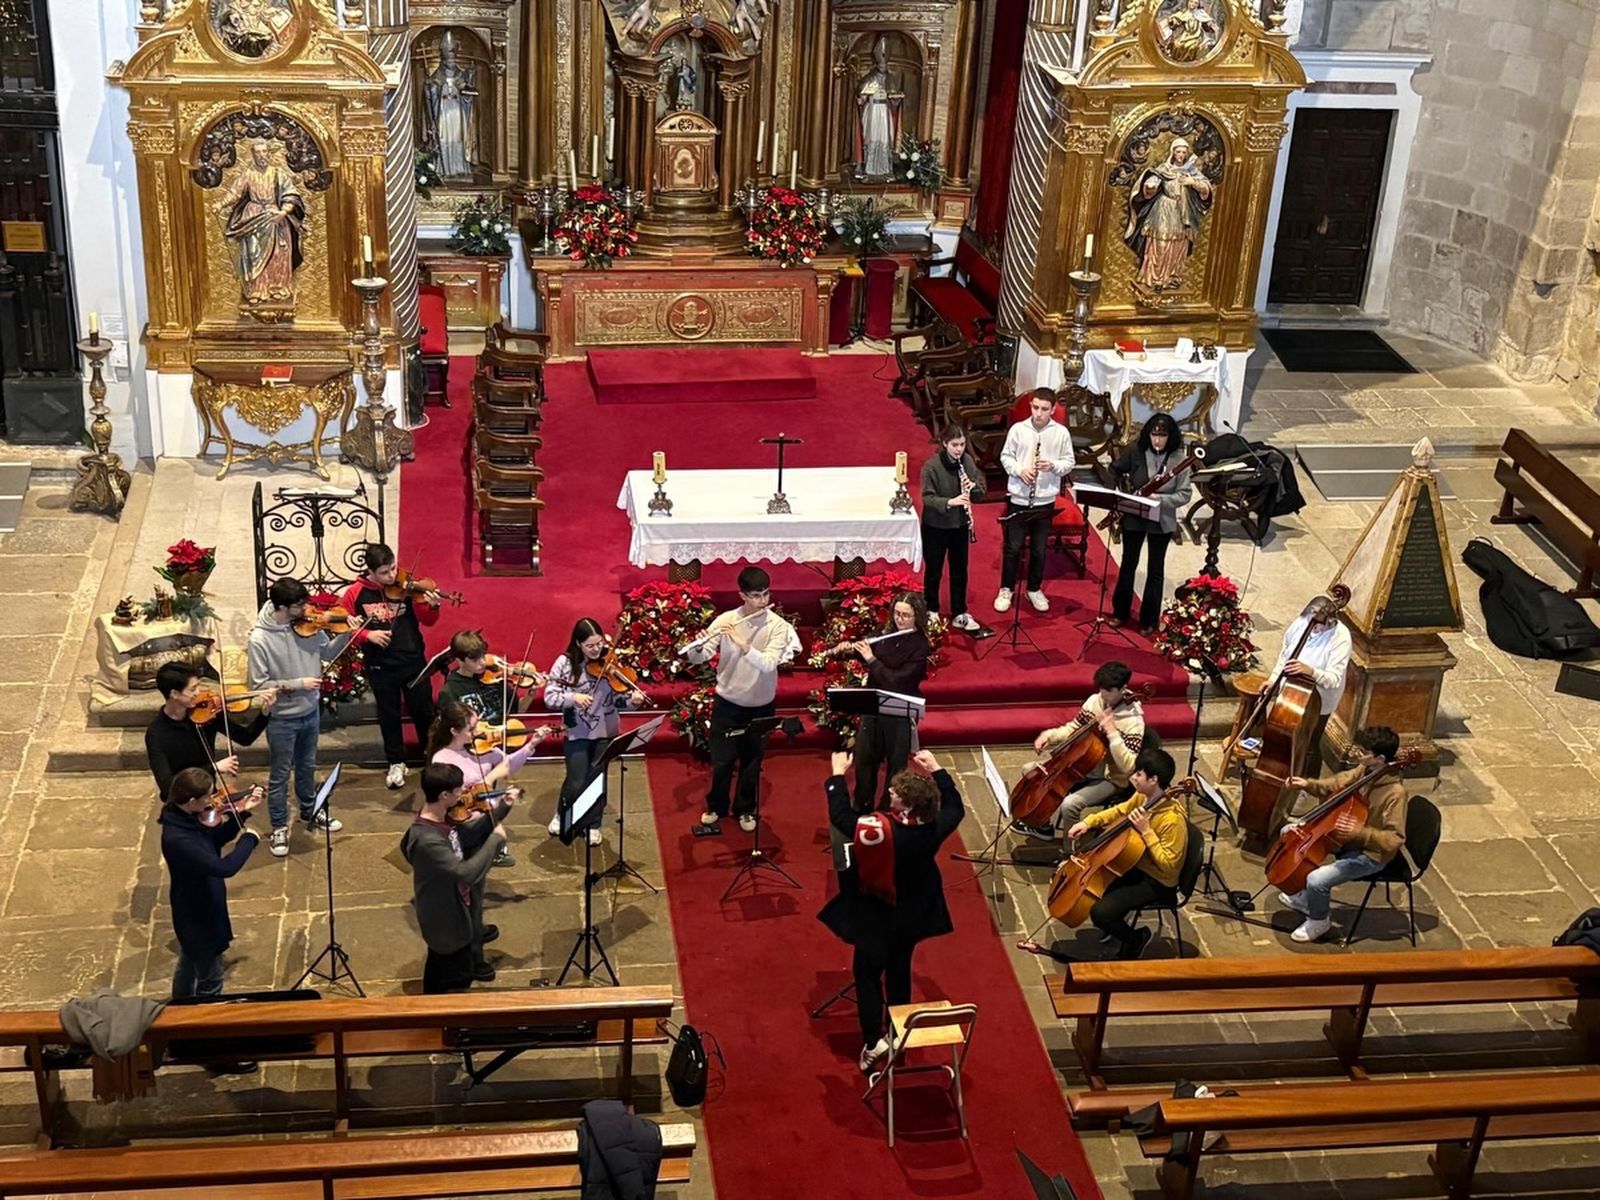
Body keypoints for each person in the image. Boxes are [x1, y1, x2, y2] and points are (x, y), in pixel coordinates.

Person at [819, 748, 964, 1075]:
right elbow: (956, 806)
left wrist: (837, 775)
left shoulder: (878, 829)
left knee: (868, 975)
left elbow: (841, 816)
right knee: (899, 969)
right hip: (914, 915)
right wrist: (938, 769)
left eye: (896, 793)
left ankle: (873, 1043)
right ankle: (898, 1031)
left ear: (908, 805)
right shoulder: (933, 828)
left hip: (877, 914)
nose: (890, 793)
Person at [1019, 747, 1188, 962]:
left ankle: (1136, 938)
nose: (1133, 777)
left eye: (1138, 774)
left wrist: (1146, 832)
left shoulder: (1172, 821)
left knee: (1100, 913)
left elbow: (1170, 866)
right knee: (1096, 892)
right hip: (1135, 864)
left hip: (1157, 881)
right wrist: (1087, 822)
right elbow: (1119, 811)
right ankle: (1118, 921)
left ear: (1154, 779)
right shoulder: (1142, 796)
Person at [683, 567, 801, 835]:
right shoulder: (726, 620)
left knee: (752, 761)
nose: (763, 600)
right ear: (742, 595)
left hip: (760, 706)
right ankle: (716, 806)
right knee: (722, 760)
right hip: (728, 702)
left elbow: (769, 664)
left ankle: (746, 809)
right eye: (756, 595)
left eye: (766, 594)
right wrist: (698, 647)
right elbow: (700, 657)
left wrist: (743, 644)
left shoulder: (777, 627)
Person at [248, 578, 358, 858]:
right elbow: (259, 685)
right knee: (280, 775)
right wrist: (299, 683)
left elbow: (330, 651)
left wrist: (347, 631)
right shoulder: (260, 639)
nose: (307, 608)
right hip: (282, 718)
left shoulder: (307, 625)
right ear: (282, 607)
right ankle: (278, 827)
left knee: (307, 766)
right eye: (299, 605)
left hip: (309, 711)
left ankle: (309, 812)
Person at [1278, 725, 1406, 943]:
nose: (1358, 754)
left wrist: (1361, 832)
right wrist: (1308, 784)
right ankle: (1306, 897)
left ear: (1381, 758)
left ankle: (1320, 920)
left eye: (1363, 752)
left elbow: (1395, 840)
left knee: (1317, 880)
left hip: (1370, 854)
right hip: (1346, 841)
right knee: (1289, 831)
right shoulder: (1364, 771)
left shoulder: (1395, 794)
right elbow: (1337, 783)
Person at [400, 762, 513, 993]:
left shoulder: (443, 818)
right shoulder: (427, 838)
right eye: (458, 790)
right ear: (444, 795)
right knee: (456, 976)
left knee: (439, 966)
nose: (463, 793)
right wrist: (495, 841)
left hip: (452, 905)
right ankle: (443, 1018)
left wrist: (503, 807)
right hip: (444, 917)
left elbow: (469, 835)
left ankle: (431, 1006)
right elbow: (467, 873)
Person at [341, 543, 441, 791]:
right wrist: (368, 636)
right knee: (389, 715)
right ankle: (396, 761)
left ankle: (433, 759)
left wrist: (433, 606)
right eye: (385, 572)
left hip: (413, 661)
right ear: (371, 571)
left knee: (424, 712)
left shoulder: (407, 587)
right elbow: (344, 625)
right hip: (380, 666)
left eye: (393, 568)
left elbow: (429, 621)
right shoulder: (355, 593)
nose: (392, 576)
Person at [1010, 661, 1147, 841]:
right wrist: (1049, 736)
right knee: (1030, 770)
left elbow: (1128, 767)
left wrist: (1113, 733)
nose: (1103, 696)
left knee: (1070, 804)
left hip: (1109, 777)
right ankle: (1043, 827)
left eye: (1109, 691)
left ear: (1123, 688)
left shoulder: (1133, 722)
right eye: (1101, 689)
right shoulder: (1094, 701)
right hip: (1079, 766)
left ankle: (1071, 851)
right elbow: (1074, 727)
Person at [159, 766, 263, 1000]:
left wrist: (242, 813)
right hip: (198, 912)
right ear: (192, 800)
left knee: (188, 963)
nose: (212, 799)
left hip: (199, 902)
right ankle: (203, 1022)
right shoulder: (179, 839)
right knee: (211, 979)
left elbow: (213, 840)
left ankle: (179, 1007)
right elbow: (223, 867)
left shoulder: (184, 818)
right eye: (208, 795)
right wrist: (249, 839)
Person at [544, 618, 649, 843]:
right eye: (590, 645)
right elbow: (550, 696)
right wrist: (574, 697)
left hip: (606, 731)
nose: (596, 650)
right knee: (576, 779)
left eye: (599, 643)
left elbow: (619, 701)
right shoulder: (565, 663)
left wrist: (634, 702)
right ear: (578, 644)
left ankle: (593, 823)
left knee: (597, 778)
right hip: (577, 732)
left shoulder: (610, 662)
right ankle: (563, 814)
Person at [831, 592, 934, 810]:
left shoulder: (920, 645)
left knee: (896, 766)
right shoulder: (883, 632)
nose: (899, 619)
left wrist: (871, 659)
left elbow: (898, 681)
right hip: (873, 705)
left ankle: (890, 809)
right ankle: (862, 805)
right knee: (864, 759)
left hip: (898, 710)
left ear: (917, 616)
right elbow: (865, 653)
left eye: (906, 615)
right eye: (897, 613)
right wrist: (847, 651)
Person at [426, 697, 550, 871]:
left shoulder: (481, 746)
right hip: (464, 823)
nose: (478, 732)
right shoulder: (441, 759)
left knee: (481, 869)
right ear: (454, 731)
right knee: (471, 870)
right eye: (471, 729)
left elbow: (507, 765)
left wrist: (532, 744)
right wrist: (489, 779)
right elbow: (456, 798)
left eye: (477, 724)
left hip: (487, 813)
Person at [1110, 413, 1193, 633]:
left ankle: (1149, 620)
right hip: (1135, 515)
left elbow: (1184, 494)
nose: (1157, 440)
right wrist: (1121, 493)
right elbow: (1115, 469)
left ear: (1170, 437)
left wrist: (1161, 499)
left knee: (1155, 569)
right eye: (1154, 435)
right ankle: (1120, 612)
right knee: (1128, 564)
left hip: (1161, 519)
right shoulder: (1136, 451)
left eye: (1162, 436)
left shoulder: (1179, 458)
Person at [145, 663, 276, 801]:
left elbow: (245, 738)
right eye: (193, 689)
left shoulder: (207, 714)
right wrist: (214, 768)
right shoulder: (156, 733)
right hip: (180, 803)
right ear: (174, 694)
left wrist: (265, 712)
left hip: (209, 795)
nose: (198, 693)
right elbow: (167, 786)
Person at [996, 389, 1075, 615]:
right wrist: (1020, 470)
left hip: (1045, 499)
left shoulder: (1060, 433)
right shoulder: (1018, 429)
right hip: (1020, 497)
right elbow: (1005, 457)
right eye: (1035, 407)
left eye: (1044, 409)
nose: (1038, 413)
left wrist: (1053, 466)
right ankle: (1006, 588)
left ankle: (1034, 588)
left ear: (1052, 410)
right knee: (1013, 547)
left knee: (1039, 549)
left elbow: (1069, 462)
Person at [1271, 594, 1353, 779]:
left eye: (1320, 625)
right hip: (1291, 692)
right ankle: (1284, 774)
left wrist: (1311, 671)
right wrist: (1273, 679)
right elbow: (1285, 655)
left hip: (1319, 699)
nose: (1314, 628)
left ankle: (1308, 785)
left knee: (1308, 743)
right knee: (1285, 736)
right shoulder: (1303, 622)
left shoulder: (1341, 638)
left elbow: (1334, 679)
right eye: (1312, 622)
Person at [919, 423, 985, 632]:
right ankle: (932, 610)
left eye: (962, 444)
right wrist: (950, 502)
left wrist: (974, 488)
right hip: (935, 526)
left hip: (959, 526)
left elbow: (981, 488)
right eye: (955, 445)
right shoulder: (931, 466)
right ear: (945, 444)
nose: (959, 449)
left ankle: (959, 612)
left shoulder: (966, 462)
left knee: (959, 570)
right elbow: (927, 498)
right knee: (934, 570)